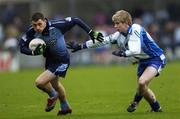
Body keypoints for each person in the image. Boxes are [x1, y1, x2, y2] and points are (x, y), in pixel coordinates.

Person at [67, 10, 166, 112]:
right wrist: (81, 46)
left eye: (117, 23)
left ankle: (135, 102)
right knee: (143, 88)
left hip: (156, 58)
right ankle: (157, 108)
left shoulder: (136, 28)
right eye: (114, 23)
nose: (115, 26)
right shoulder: (118, 35)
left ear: (126, 23)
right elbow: (102, 41)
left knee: (141, 82)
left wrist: (124, 53)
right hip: (142, 61)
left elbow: (135, 49)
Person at [19, 12, 103, 115]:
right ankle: (65, 107)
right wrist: (33, 52)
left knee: (39, 82)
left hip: (62, 60)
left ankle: (53, 96)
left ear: (45, 21)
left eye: (39, 24)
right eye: (34, 25)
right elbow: (22, 47)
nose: (37, 28)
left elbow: (75, 19)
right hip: (50, 60)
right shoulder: (31, 32)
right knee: (56, 85)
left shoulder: (57, 25)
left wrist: (91, 33)